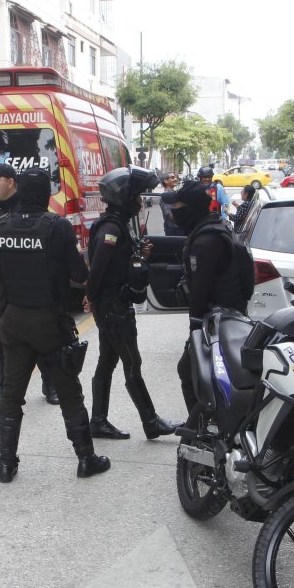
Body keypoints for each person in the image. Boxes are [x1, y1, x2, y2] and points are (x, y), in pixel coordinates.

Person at [0, 167, 110, 483]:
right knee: (69, 392)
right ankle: (86, 459)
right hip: (48, 322)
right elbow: (79, 275)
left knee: (12, 394)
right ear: (45, 195)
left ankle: (5, 464)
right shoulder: (57, 227)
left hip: (13, 320)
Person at [85, 166, 181, 441]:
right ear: (124, 199)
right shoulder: (112, 229)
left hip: (112, 304)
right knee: (132, 363)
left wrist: (139, 254)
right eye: (137, 196)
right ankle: (150, 422)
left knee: (107, 360)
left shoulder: (117, 225)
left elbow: (114, 263)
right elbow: (99, 266)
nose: (140, 202)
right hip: (114, 307)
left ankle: (98, 421)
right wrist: (91, 296)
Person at [0, 163, 59, 414]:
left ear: (12, 182)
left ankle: (50, 385)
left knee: (38, 336)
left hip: (25, 285)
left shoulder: (29, 208)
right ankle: (1, 393)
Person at [164, 181, 250, 413]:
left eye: (177, 206)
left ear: (190, 208)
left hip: (218, 320)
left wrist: (194, 325)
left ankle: (203, 429)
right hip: (226, 316)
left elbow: (201, 288)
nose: (172, 212)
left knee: (190, 370)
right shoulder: (215, 227)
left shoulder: (205, 242)